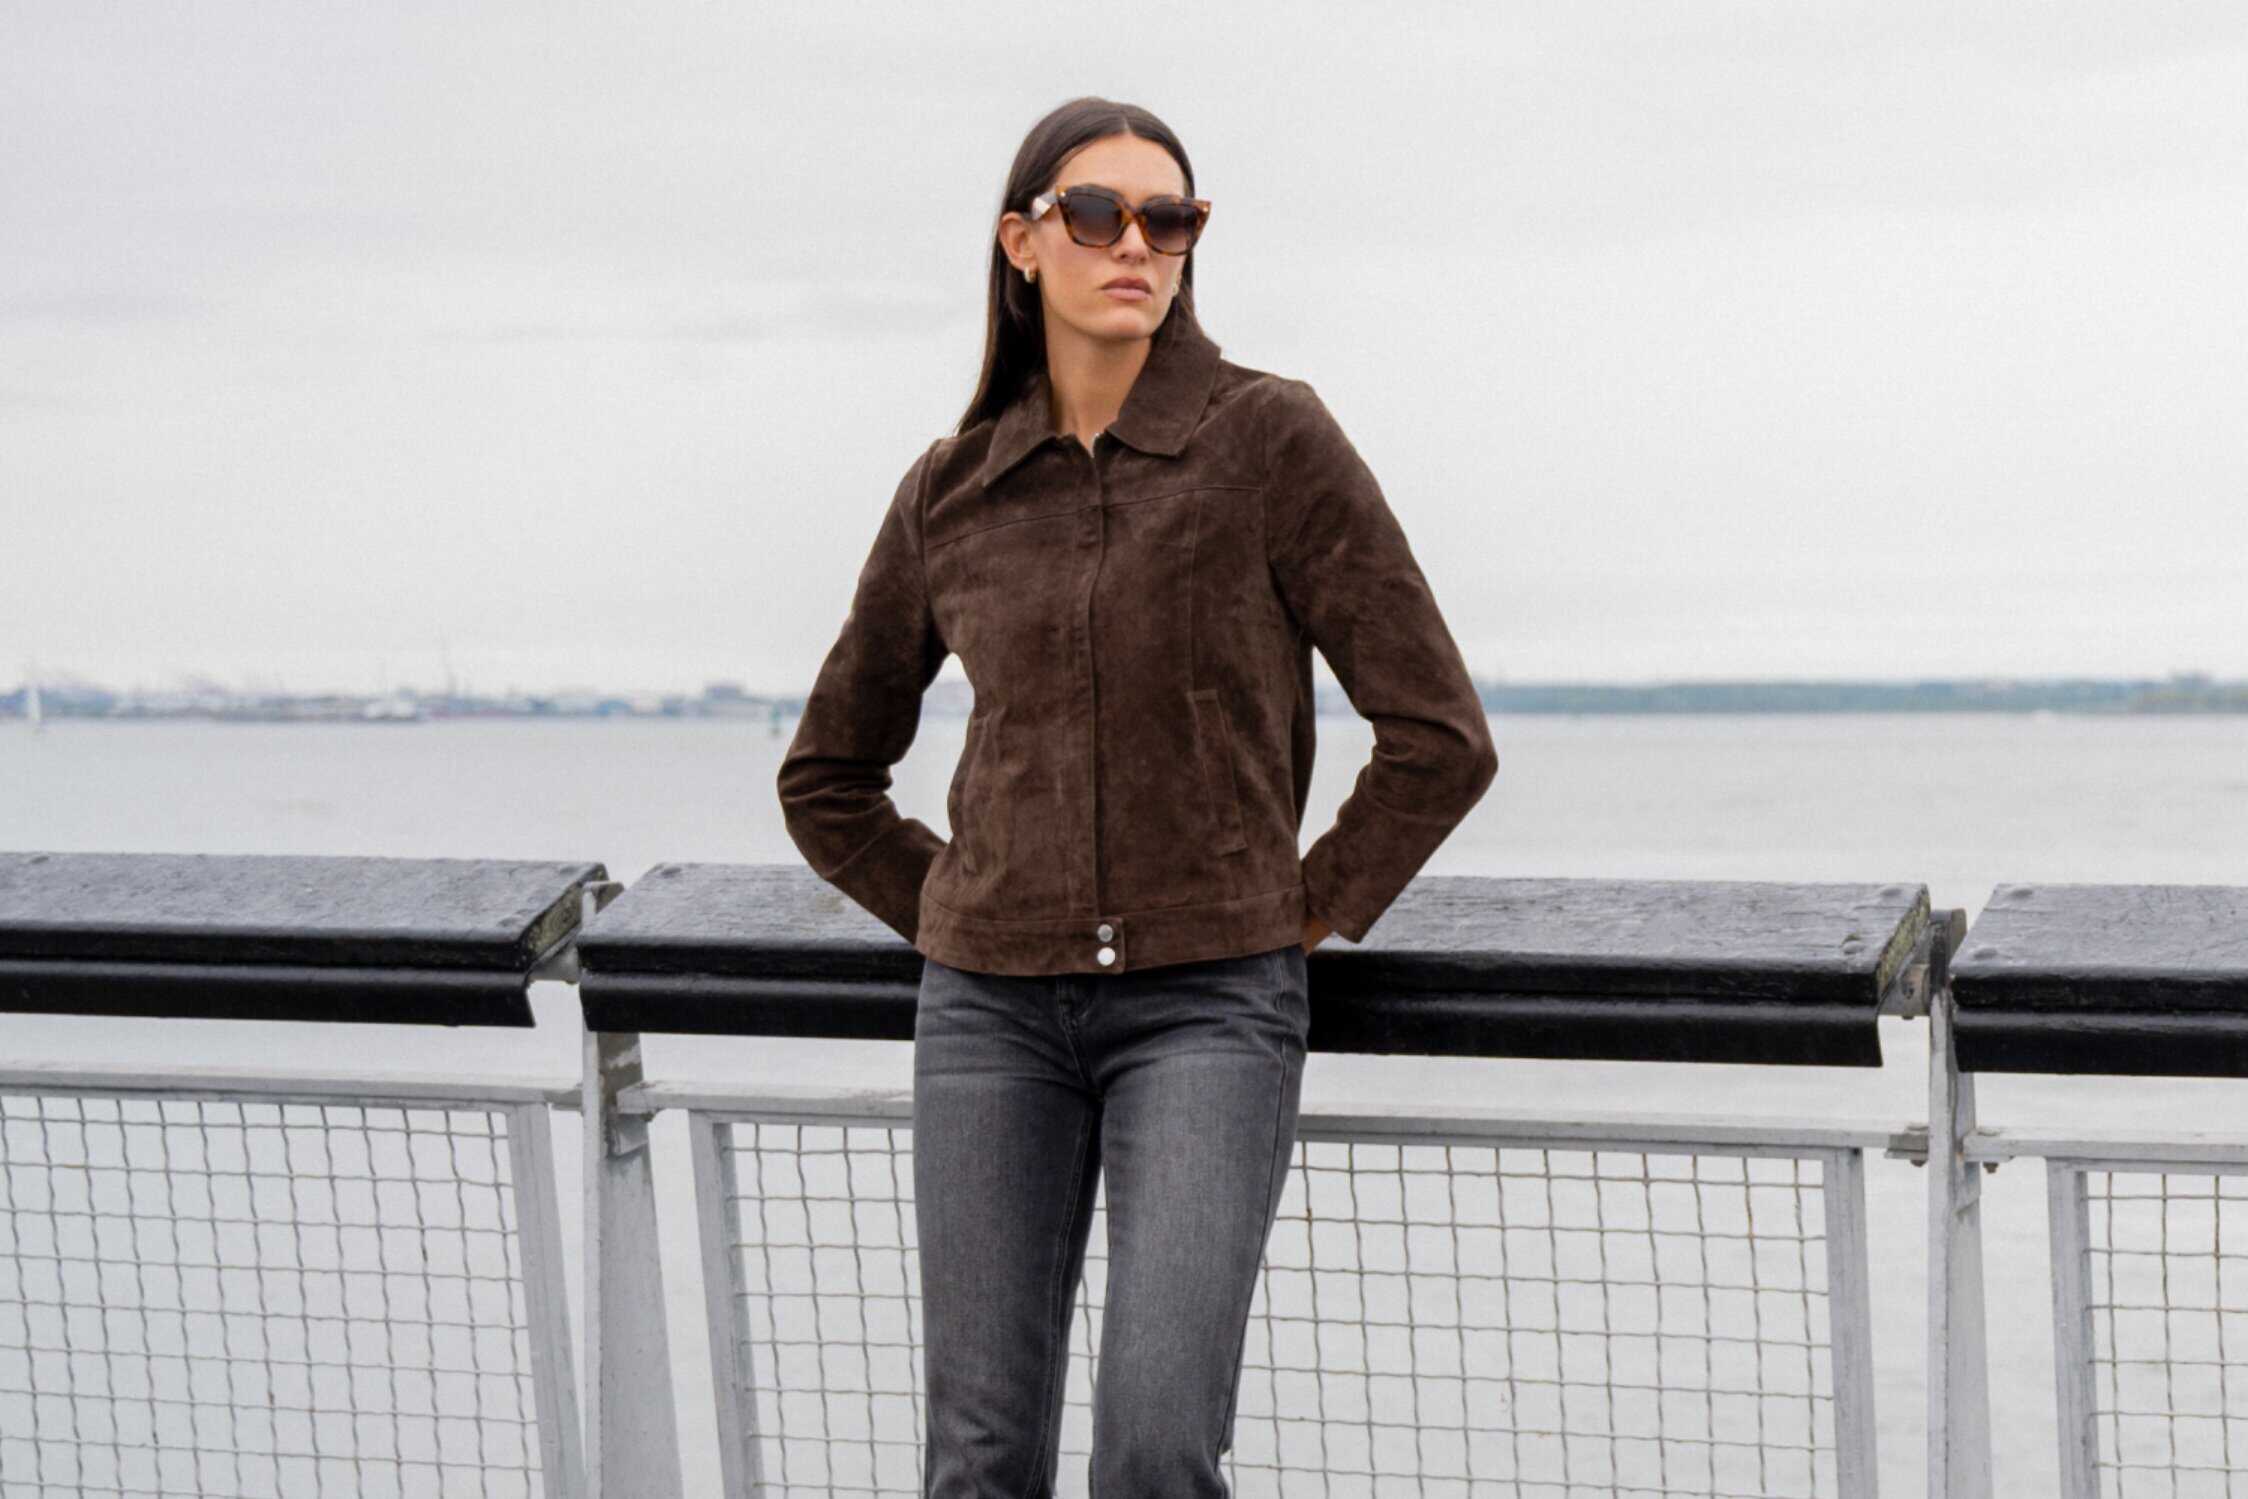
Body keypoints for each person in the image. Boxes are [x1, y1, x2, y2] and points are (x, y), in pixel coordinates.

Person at [777, 96, 1498, 1498]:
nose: (1137, 245)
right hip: (987, 1014)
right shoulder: (953, 489)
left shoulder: (1268, 438)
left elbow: (1439, 736)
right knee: (978, 1458)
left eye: (1169, 219)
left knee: (1157, 1447)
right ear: (1021, 243)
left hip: (1209, 1008)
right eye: (1099, 213)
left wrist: (1299, 907)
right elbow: (826, 778)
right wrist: (963, 908)